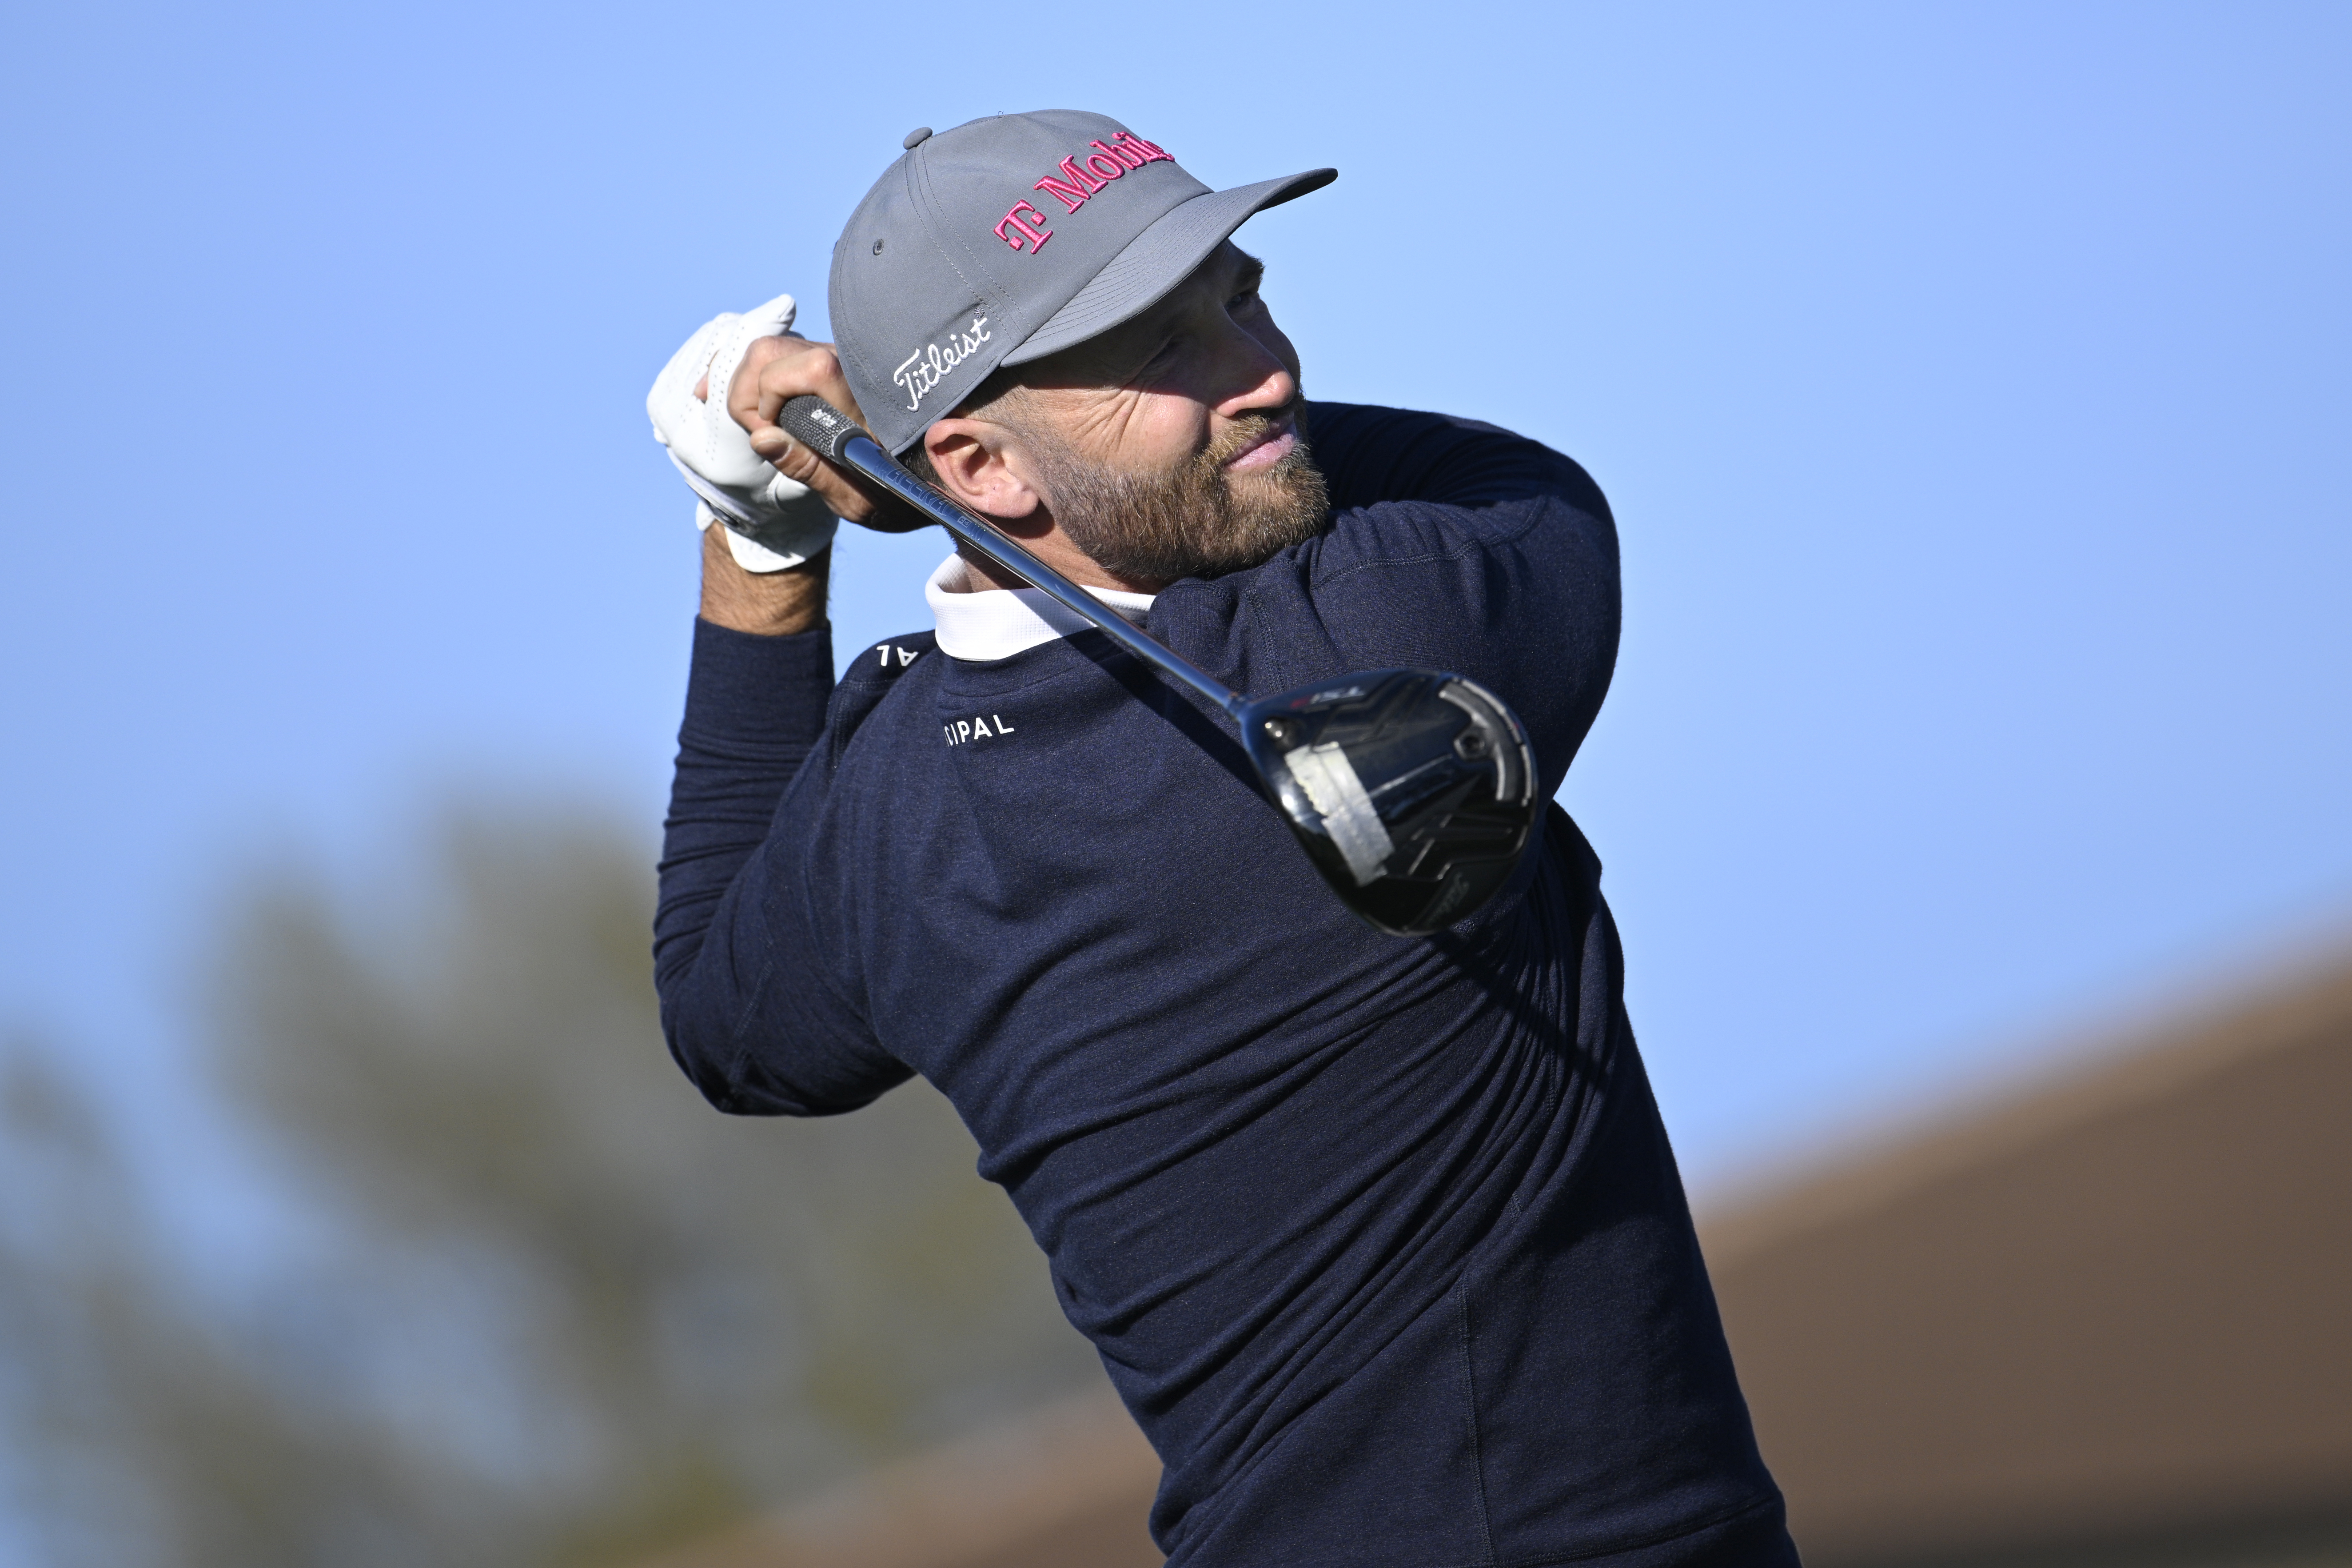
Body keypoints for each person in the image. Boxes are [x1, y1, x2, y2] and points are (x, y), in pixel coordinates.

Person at [646, 111, 1797, 1568]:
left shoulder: (880, 815)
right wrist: (947, 469)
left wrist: (757, 540)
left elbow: (726, 1022)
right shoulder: (1397, 627)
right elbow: (1528, 484)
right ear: (983, 470)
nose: (1269, 367)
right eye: (1160, 350)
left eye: (1241, 293)